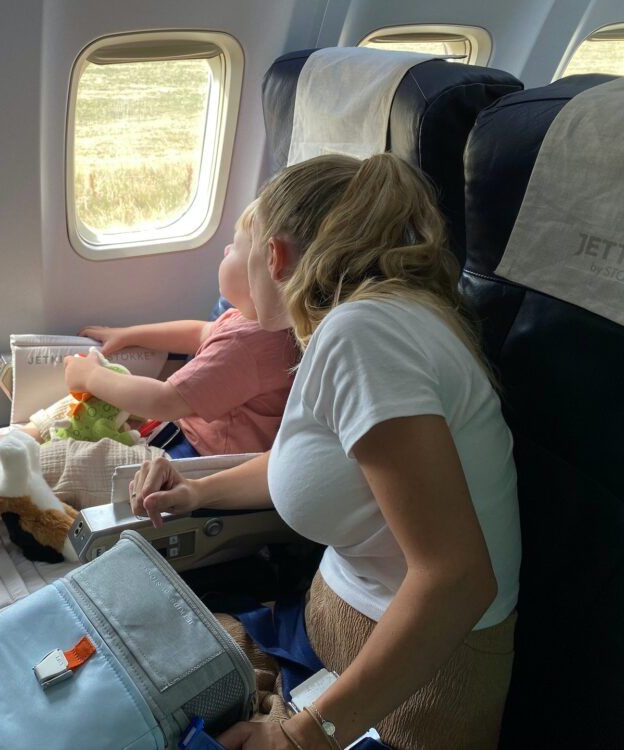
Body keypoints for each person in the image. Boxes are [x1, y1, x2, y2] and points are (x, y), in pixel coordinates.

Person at [128, 153, 520, 750]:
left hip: (417, 686)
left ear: (276, 256)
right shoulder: (360, 325)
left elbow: (459, 580)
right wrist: (196, 491)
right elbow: (310, 466)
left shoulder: (365, 336)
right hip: (335, 637)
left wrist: (300, 738)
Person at [0, 200, 297, 513]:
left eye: (235, 247)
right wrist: (129, 334)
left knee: (85, 461)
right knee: (81, 409)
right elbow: (201, 332)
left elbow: (166, 399)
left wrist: (90, 377)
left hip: (199, 463)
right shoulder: (249, 320)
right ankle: (0, 444)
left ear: (272, 262)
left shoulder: (255, 343)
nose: (225, 252)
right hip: (179, 431)